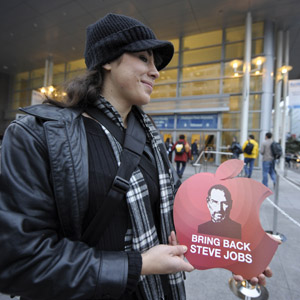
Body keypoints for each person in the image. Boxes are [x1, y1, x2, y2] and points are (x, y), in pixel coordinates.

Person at [0, 13, 273, 299]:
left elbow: (180, 216)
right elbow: (19, 261)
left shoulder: (149, 137)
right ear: (107, 60)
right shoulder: (39, 134)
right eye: (144, 58)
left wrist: (236, 252)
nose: (155, 71)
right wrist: (138, 265)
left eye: (155, 62)